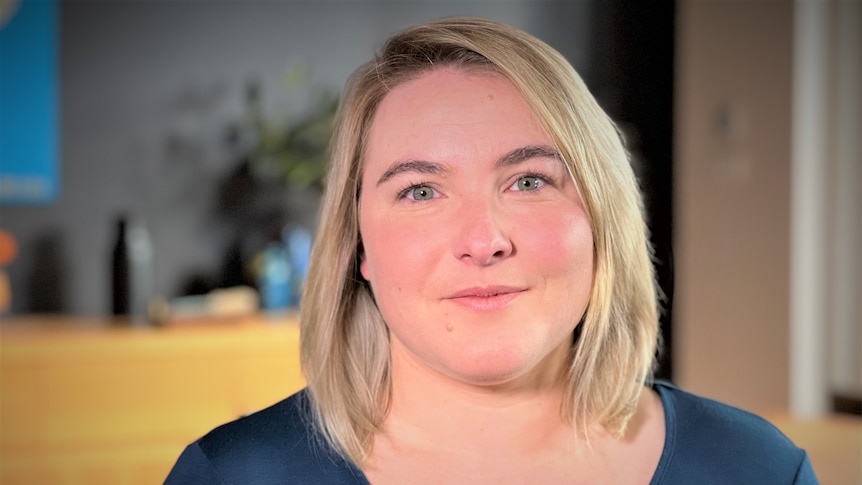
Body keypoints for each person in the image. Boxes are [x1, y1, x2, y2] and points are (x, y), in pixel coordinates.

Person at [165, 17, 818, 484]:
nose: (483, 241)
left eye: (529, 180)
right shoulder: (230, 475)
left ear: (601, 219)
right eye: (421, 190)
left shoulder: (758, 468)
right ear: (359, 246)